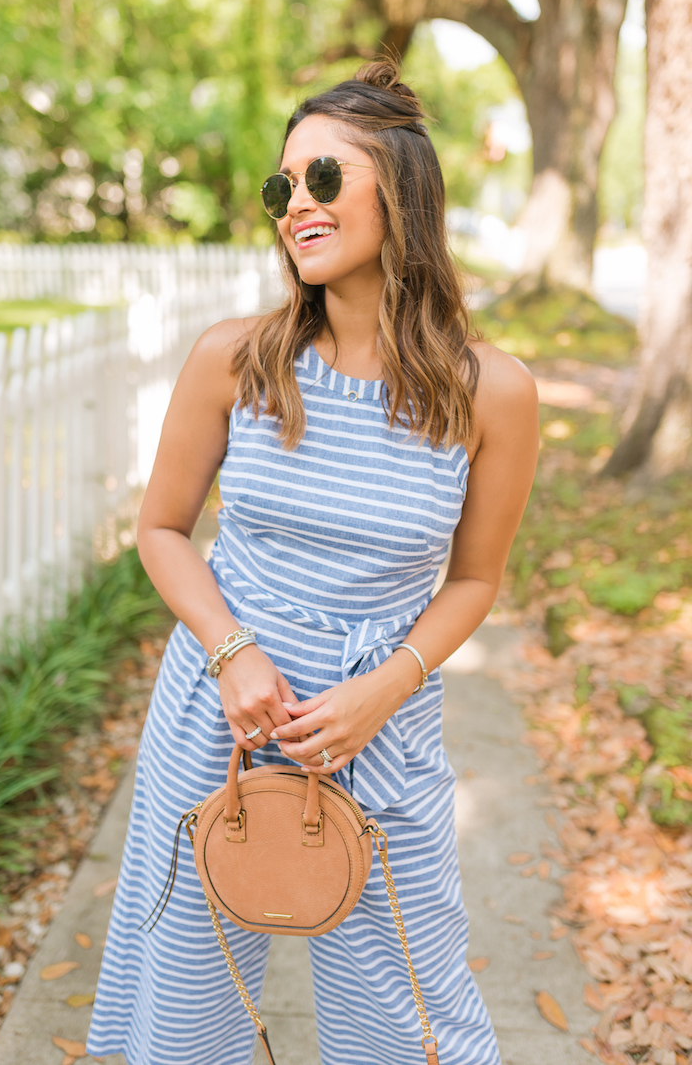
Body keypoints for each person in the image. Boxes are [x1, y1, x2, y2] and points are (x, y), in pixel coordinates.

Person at [86, 60, 538, 1065]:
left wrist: (386, 688)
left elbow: (474, 580)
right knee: (191, 1013)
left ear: (404, 192)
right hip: (220, 721)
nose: (297, 204)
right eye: (282, 186)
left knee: (413, 1020)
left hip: (380, 732)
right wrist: (231, 651)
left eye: (324, 177)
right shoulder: (234, 361)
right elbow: (162, 529)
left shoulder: (491, 392)